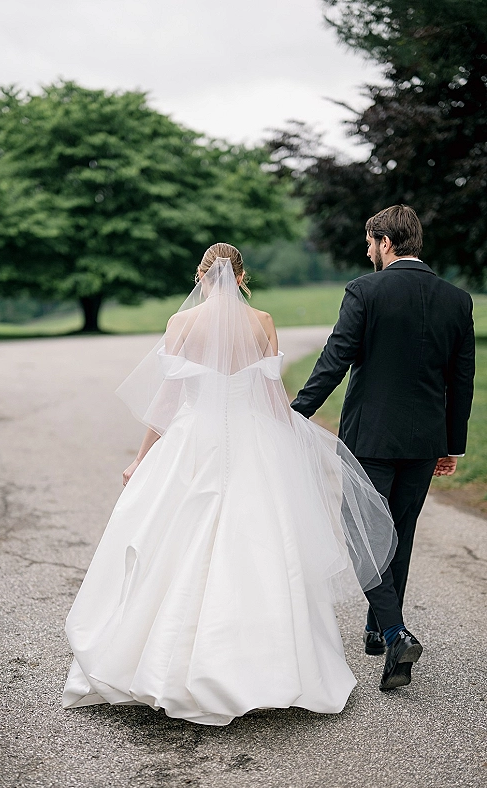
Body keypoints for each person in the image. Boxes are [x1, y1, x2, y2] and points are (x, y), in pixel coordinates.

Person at [63, 243, 396, 726]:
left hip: (191, 442)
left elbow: (167, 399)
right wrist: (294, 444)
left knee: (172, 542)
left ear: (202, 277)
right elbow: (271, 396)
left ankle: (160, 666)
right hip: (252, 440)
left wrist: (140, 459)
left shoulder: (182, 324)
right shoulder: (261, 321)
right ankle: (269, 668)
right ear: (242, 278)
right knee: (260, 548)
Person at [291, 205, 475, 691]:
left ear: (386, 243)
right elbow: (462, 381)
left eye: (370, 242)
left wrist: (296, 412)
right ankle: (378, 627)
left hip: (370, 439)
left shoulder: (365, 290)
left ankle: (394, 631)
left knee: (363, 533)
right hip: (424, 439)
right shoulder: (457, 299)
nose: (366, 251)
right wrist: (451, 443)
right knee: (400, 531)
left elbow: (335, 358)